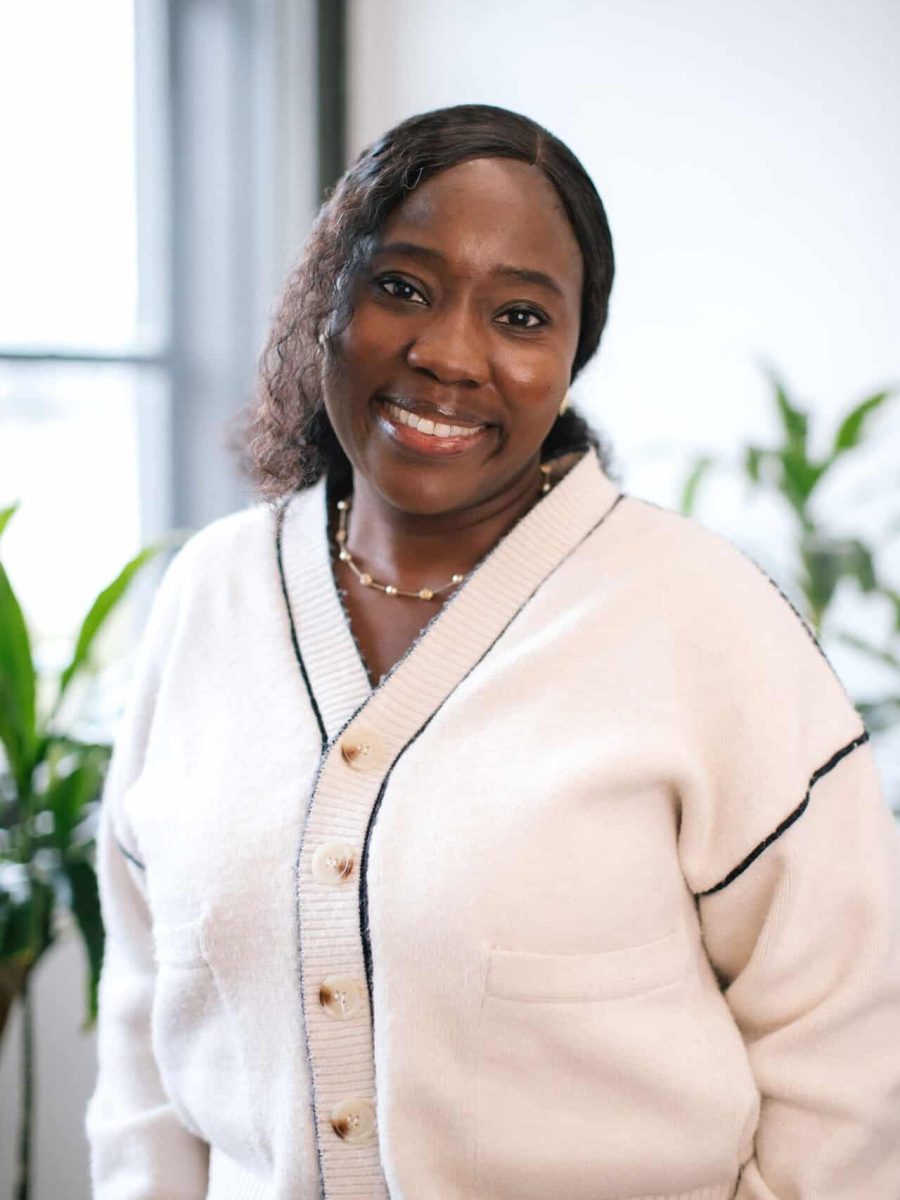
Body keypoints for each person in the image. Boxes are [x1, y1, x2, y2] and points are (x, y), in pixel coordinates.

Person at [86, 104, 900, 1200]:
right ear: (329, 295)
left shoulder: (708, 622)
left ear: (573, 357)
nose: (449, 354)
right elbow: (145, 1029)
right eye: (403, 287)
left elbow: (852, 1047)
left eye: (520, 315)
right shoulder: (207, 599)